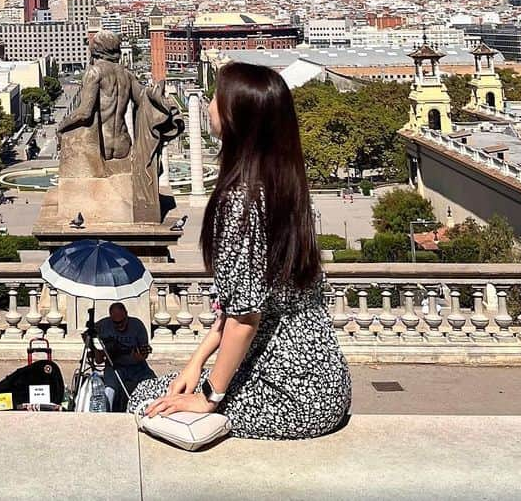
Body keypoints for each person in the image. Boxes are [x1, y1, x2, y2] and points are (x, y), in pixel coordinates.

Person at [129, 63, 352, 439]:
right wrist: (195, 364)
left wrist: (208, 397)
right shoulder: (284, 185)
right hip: (327, 378)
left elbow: (244, 319)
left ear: (236, 118)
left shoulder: (240, 202)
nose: (210, 104)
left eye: (217, 97)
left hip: (290, 393)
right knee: (172, 386)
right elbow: (239, 307)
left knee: (146, 396)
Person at [93, 301, 154, 411]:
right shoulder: (103, 325)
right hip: (114, 366)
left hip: (136, 366)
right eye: (115, 323)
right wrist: (97, 351)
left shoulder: (137, 325)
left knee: (152, 382)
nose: (119, 325)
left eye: (122, 321)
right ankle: (106, 415)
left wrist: (139, 356)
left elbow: (143, 353)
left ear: (126, 314)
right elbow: (86, 336)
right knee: (109, 390)